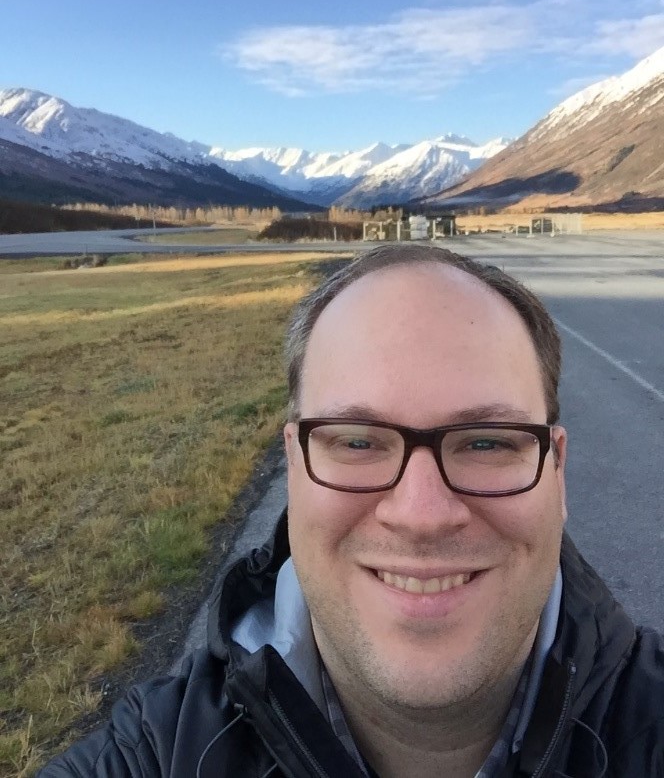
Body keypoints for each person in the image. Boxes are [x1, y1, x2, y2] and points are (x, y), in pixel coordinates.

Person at [41, 244, 664, 778]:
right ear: (294, 463)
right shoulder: (157, 754)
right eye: (358, 442)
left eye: (486, 442)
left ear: (557, 470)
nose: (422, 515)